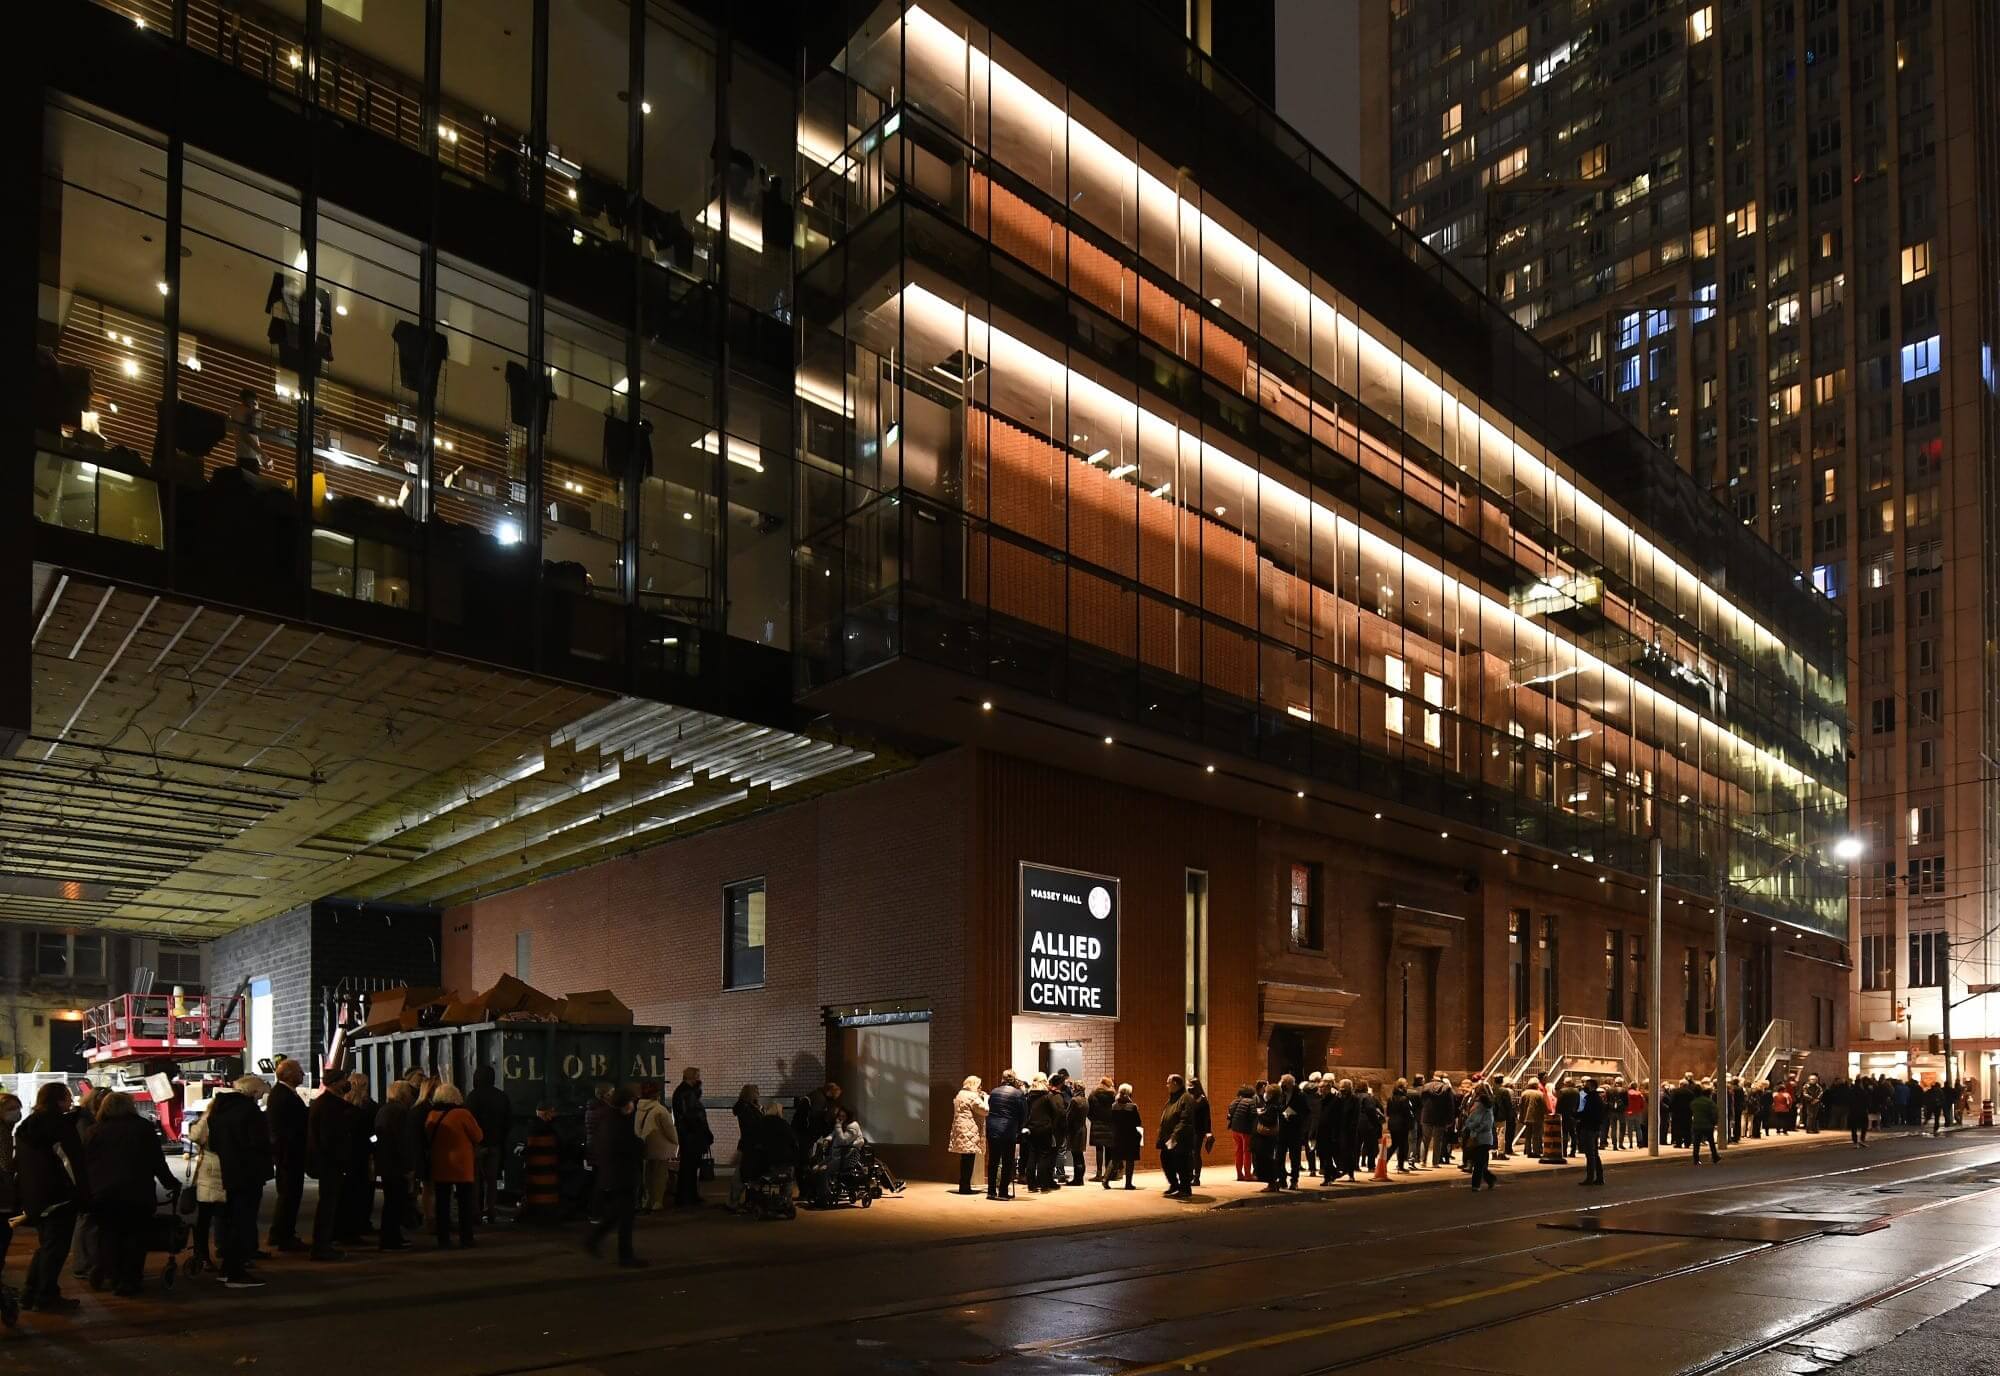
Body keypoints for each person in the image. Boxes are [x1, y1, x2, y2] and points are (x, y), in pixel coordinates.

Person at [81, 1092, 178, 1296]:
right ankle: (130, 1280)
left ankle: (113, 1275)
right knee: (135, 1237)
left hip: (104, 1193)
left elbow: (85, 1165)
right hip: (137, 1192)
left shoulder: (94, 1131)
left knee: (109, 1235)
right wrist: (171, 1183)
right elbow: (156, 1161)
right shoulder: (142, 1128)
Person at [17, 1083, 88, 1314]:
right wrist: (82, 1192)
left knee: (46, 1246)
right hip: (60, 1197)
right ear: (58, 1099)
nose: (70, 1101)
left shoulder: (27, 1124)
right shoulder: (59, 1126)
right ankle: (46, 1296)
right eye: (67, 1097)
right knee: (55, 1249)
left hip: (36, 1197)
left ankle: (30, 1292)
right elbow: (70, 1162)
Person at [204, 1075, 271, 1288]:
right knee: (243, 1222)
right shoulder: (250, 1113)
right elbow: (259, 1143)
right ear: (253, 1092)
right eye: (261, 1091)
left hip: (227, 1173)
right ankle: (236, 1272)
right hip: (248, 1173)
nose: (262, 1095)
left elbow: (213, 1143)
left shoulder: (219, 1111)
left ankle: (228, 1268)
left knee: (232, 1220)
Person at [584, 1087, 644, 1266]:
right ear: (626, 1104)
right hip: (622, 1175)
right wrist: (640, 1145)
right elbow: (630, 1146)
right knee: (625, 1218)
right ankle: (625, 1256)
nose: (633, 1105)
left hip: (613, 1174)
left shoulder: (608, 1118)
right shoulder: (619, 1123)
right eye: (632, 1102)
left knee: (616, 1214)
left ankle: (594, 1240)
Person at [424, 1084, 483, 1248]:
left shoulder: (432, 1115)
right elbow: (478, 1136)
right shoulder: (463, 1114)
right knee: (465, 1203)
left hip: (440, 1163)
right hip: (462, 1165)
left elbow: (428, 1137)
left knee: (442, 1203)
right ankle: (466, 1237)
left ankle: (443, 1239)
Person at [304, 1069, 353, 1261]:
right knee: (327, 1206)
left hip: (328, 1162)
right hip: (330, 1163)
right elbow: (330, 1138)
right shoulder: (330, 1106)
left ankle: (324, 1244)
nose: (346, 1083)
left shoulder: (324, 1103)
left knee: (328, 1205)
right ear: (334, 1083)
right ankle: (321, 1247)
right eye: (344, 1080)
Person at [265, 1058, 309, 1253]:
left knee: (288, 1195)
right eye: (300, 1071)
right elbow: (289, 1128)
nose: (303, 1074)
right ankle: (285, 1236)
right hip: (289, 1154)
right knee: (289, 1195)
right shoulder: (283, 1095)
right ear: (289, 1075)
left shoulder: (283, 1093)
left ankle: (279, 1233)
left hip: (287, 1153)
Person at [465, 1066, 512, 1225]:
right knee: (492, 1181)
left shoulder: (472, 1097)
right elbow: (508, 1122)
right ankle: (490, 1211)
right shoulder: (501, 1097)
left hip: (477, 1145)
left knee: (475, 1180)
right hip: (495, 1144)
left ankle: (475, 1213)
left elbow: (468, 1122)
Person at [373, 1080, 417, 1252]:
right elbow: (402, 1142)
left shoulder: (383, 1110)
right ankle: (391, 1240)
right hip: (396, 1166)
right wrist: (408, 1167)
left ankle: (391, 1238)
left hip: (385, 1163)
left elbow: (376, 1136)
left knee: (391, 1203)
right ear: (404, 1095)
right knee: (395, 1204)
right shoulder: (400, 1113)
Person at [339, 1073, 377, 1243]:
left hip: (346, 1156)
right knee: (364, 1191)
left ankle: (350, 1226)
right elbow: (373, 1134)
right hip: (363, 1155)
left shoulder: (341, 1106)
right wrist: (375, 1142)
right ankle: (361, 1224)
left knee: (348, 1193)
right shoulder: (369, 1108)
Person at [634, 1081, 677, 1212]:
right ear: (657, 1094)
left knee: (646, 1176)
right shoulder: (660, 1110)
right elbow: (670, 1130)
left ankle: (646, 1200)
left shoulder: (638, 1109)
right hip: (660, 1149)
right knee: (659, 1176)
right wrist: (675, 1142)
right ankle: (657, 1202)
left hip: (644, 1146)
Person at [670, 1067, 711, 1207]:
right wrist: (701, 1130)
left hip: (688, 1134)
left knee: (690, 1167)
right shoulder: (686, 1092)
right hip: (690, 1135)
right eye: (697, 1076)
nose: (699, 1079)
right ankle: (686, 1197)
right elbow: (691, 1114)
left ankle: (689, 1195)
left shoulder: (685, 1091)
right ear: (691, 1077)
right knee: (689, 1167)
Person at [985, 1071, 1025, 1200]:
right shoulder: (1018, 1094)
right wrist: (1019, 1129)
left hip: (992, 1129)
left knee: (993, 1161)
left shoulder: (994, 1092)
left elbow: (990, 1108)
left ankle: (991, 1191)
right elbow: (1024, 1114)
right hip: (1008, 1130)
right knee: (1008, 1161)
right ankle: (1002, 1191)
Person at [948, 1076, 988, 1195]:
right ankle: (965, 1187)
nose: (980, 1087)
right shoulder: (972, 1096)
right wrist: (986, 1098)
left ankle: (963, 1185)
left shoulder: (960, 1094)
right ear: (973, 1084)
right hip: (969, 1130)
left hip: (961, 1129)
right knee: (969, 1160)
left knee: (965, 1159)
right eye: (979, 1085)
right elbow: (985, 1110)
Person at [1021, 1074, 1061, 1192]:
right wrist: (1052, 1125)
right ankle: (1043, 1184)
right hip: (1044, 1128)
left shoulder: (1029, 1096)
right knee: (1044, 1156)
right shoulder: (1047, 1096)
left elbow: (1026, 1113)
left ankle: (1031, 1185)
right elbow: (1057, 1112)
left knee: (1032, 1156)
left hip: (1031, 1129)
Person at [1158, 1074, 1193, 1198]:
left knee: (1181, 1163)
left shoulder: (1185, 1098)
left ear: (1176, 1084)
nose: (1167, 1085)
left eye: (1169, 1082)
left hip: (1179, 1139)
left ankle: (1185, 1188)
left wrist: (1175, 1136)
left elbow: (1185, 1119)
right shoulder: (1172, 1099)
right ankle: (1174, 1184)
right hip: (1168, 1138)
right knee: (1165, 1160)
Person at [728, 1085, 761, 1210]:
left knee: (744, 1173)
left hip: (748, 1144)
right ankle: (734, 1202)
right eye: (756, 1092)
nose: (758, 1094)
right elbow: (753, 1126)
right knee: (742, 1174)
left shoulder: (746, 1107)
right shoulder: (746, 1108)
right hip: (750, 1145)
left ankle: (739, 1201)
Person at [1103, 1085, 1142, 1189]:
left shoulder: (1114, 1106)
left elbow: (1110, 1121)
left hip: (1117, 1135)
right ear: (1129, 1093)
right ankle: (1128, 1183)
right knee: (1130, 1160)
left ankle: (1105, 1179)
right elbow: (1138, 1122)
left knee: (1115, 1158)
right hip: (1130, 1136)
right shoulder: (1132, 1107)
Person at [1464, 1083, 1498, 1190]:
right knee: (1479, 1162)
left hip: (1484, 1139)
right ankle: (1490, 1178)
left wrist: (1475, 1127)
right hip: (1475, 1138)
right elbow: (1468, 1121)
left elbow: (1486, 1125)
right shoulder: (1475, 1111)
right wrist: (1474, 1126)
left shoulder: (1488, 1111)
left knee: (1479, 1162)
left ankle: (1475, 1185)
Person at [1576, 1077, 1606, 1185]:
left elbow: (1587, 1113)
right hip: (1594, 1128)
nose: (1584, 1087)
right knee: (1594, 1153)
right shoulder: (1596, 1098)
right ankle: (1599, 1177)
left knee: (1590, 1154)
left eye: (1586, 1085)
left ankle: (1590, 1177)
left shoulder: (1591, 1098)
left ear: (1592, 1086)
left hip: (1589, 1128)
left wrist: (1576, 1115)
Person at [1087, 1077, 1117, 1182]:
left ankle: (1099, 1174)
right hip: (1110, 1125)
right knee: (1109, 1150)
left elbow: (1088, 1111)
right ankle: (1108, 1174)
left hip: (1096, 1125)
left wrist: (1093, 1120)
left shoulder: (1093, 1095)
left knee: (1099, 1150)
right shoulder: (1113, 1096)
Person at [1225, 1085, 1257, 1181]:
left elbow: (1230, 1114)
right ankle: (1248, 1175)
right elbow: (1253, 1115)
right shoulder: (1251, 1102)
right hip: (1246, 1130)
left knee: (1238, 1151)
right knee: (1247, 1151)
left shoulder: (1234, 1101)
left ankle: (1239, 1174)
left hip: (1235, 1129)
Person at [230, 386, 265, 472]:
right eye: (253, 402)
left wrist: (262, 458)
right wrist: (263, 455)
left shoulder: (245, 412)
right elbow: (246, 437)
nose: (255, 406)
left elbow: (253, 438)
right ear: (247, 400)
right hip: (246, 458)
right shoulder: (240, 411)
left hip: (248, 457)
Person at [1065, 1077, 1091, 1186]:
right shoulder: (1085, 1100)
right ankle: (1080, 1178)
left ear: (1075, 1088)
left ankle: (1077, 1179)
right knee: (1080, 1155)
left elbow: (1068, 1116)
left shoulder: (1074, 1100)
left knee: (1076, 1155)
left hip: (1075, 1130)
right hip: (1082, 1129)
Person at [1386, 1079, 1416, 1172]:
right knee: (1402, 1145)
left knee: (1394, 1144)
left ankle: (1384, 1162)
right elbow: (1407, 1112)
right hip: (1402, 1124)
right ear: (1403, 1087)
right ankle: (1400, 1165)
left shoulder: (1390, 1098)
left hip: (1392, 1123)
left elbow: (1388, 1112)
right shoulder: (1404, 1099)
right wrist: (1411, 1122)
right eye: (1406, 1085)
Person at [1690, 1081, 1720, 1164]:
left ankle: (1696, 1159)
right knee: (1711, 1141)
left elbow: (1691, 1110)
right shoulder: (1709, 1102)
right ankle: (1715, 1156)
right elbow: (1715, 1112)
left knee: (1696, 1143)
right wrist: (1714, 1122)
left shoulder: (1694, 1102)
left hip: (1697, 1124)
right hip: (1707, 1124)